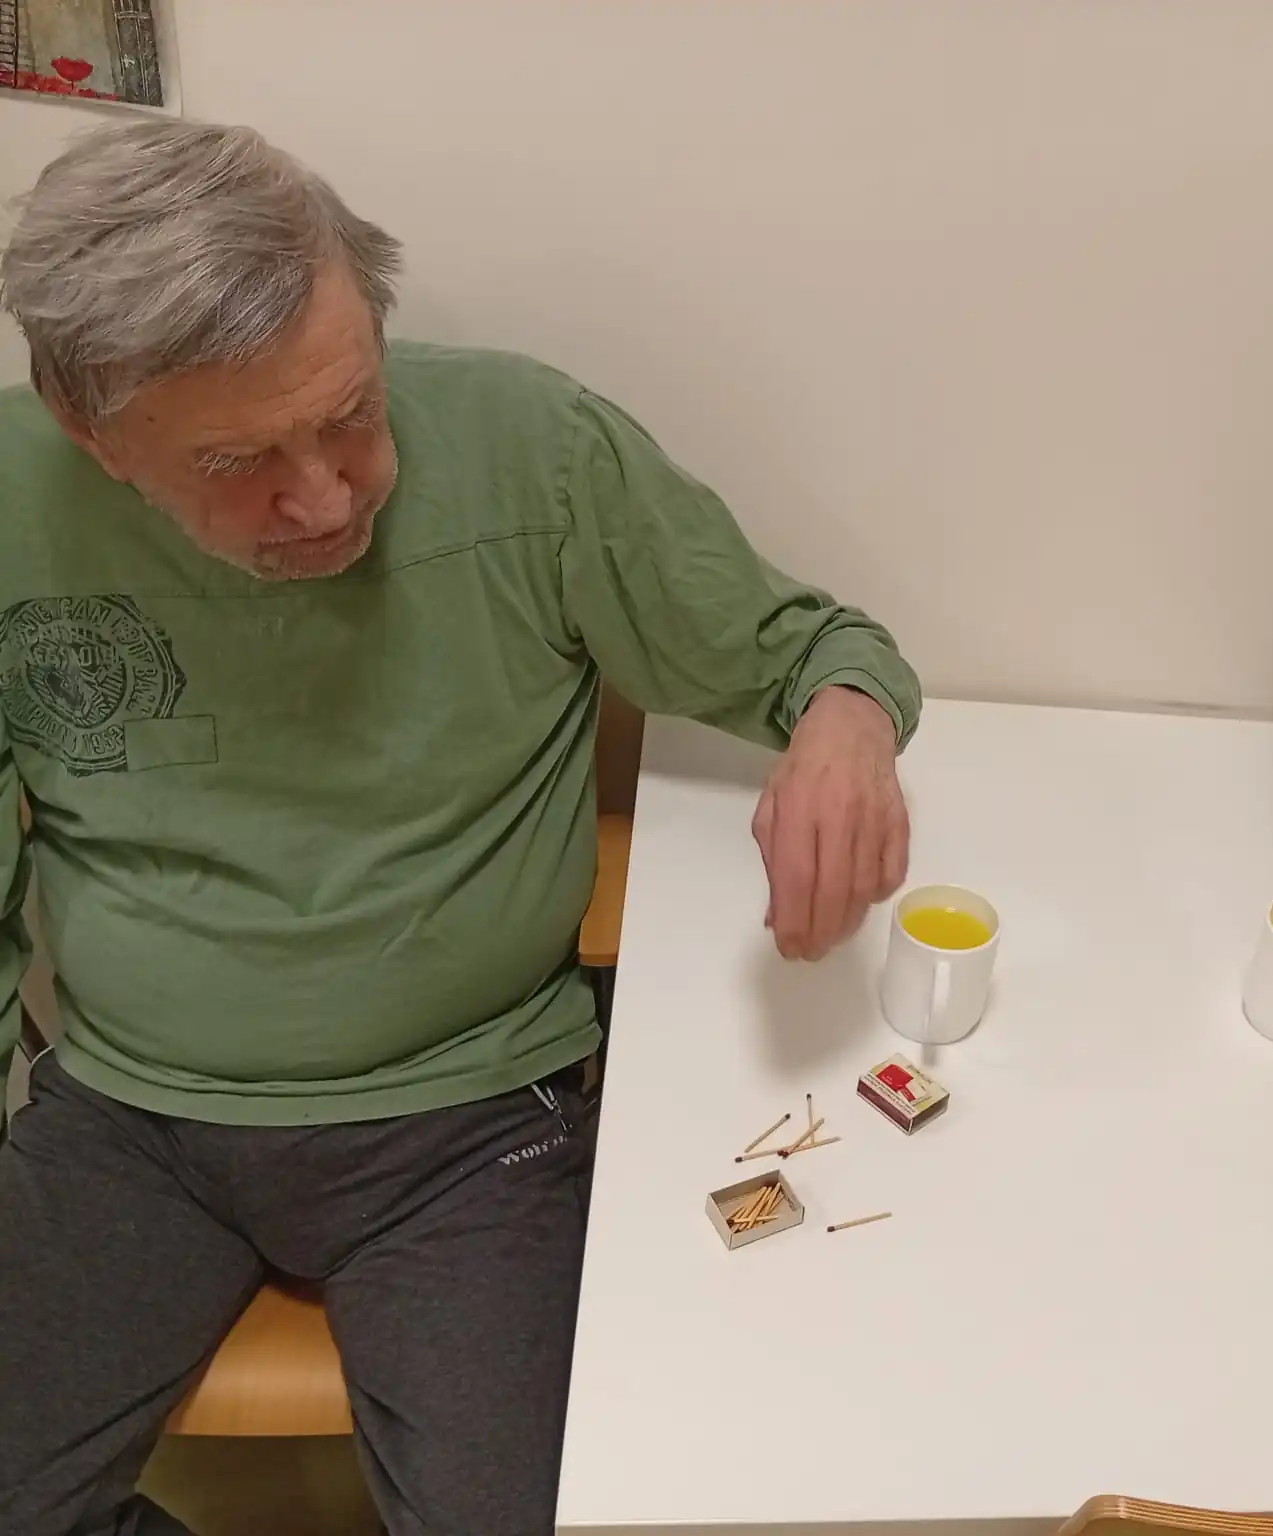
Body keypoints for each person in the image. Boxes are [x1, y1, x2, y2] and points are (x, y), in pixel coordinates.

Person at [0, 121, 919, 1536]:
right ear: (90, 428)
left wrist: (845, 729)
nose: (326, 498)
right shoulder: (14, 497)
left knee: (567, 1506)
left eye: (352, 414)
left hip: (472, 1119)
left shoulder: (534, 450)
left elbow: (813, 649)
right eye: (239, 459)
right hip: (129, 1116)